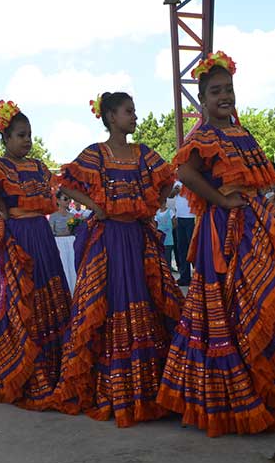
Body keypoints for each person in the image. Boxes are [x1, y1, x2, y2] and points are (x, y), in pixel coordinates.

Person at [156, 51, 275, 437]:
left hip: (254, 224)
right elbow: (185, 172)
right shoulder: (204, 135)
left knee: (262, 301)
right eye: (215, 92)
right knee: (226, 308)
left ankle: (265, 394)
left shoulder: (243, 133)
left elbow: (258, 182)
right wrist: (222, 200)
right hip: (223, 231)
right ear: (203, 100)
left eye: (228, 89)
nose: (224, 96)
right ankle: (229, 403)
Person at [52, 92, 182, 427]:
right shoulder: (97, 153)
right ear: (111, 116)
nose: (134, 117)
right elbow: (68, 182)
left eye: (134, 111)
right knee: (104, 304)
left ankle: (146, 388)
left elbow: (168, 178)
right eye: (129, 112)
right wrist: (96, 206)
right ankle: (115, 388)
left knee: (147, 300)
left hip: (137, 238)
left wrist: (150, 203)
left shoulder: (143, 154)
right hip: (109, 239)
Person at [0, 102, 72, 409]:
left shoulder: (38, 166)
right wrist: (4, 209)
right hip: (18, 234)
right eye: (21, 135)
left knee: (46, 290)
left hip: (39, 232)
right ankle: (17, 368)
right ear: (6, 139)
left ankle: (51, 366)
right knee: (17, 297)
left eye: (29, 135)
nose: (26, 140)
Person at [172, 181, 195, 286]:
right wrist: (175, 191)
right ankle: (185, 277)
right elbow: (170, 195)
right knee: (182, 248)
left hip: (192, 217)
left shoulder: (192, 177)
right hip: (180, 218)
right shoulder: (176, 181)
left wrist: (186, 190)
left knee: (194, 248)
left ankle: (198, 277)